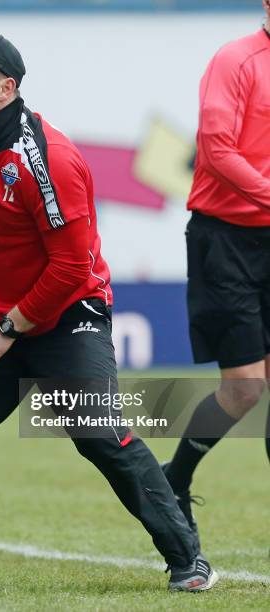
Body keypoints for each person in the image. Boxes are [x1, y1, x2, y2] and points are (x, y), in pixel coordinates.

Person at [0, 30, 217, 592]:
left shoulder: (49, 158)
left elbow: (72, 270)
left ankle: (188, 558)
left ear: (7, 87)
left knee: (98, 435)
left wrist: (6, 329)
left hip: (68, 313)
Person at [163, 2, 270, 547]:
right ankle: (174, 478)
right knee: (245, 389)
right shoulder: (236, 60)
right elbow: (217, 148)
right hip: (225, 239)